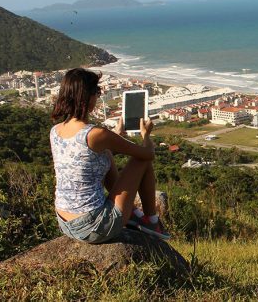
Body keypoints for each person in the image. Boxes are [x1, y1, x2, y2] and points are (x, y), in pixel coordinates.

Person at [50, 68, 170, 244]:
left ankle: (133, 215)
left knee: (104, 154)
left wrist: (115, 135)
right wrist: (146, 135)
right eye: (96, 93)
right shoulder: (96, 134)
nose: (97, 97)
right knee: (141, 160)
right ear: (87, 97)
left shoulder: (56, 130)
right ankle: (151, 221)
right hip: (94, 225)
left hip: (65, 221)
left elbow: (83, 156)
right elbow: (148, 154)